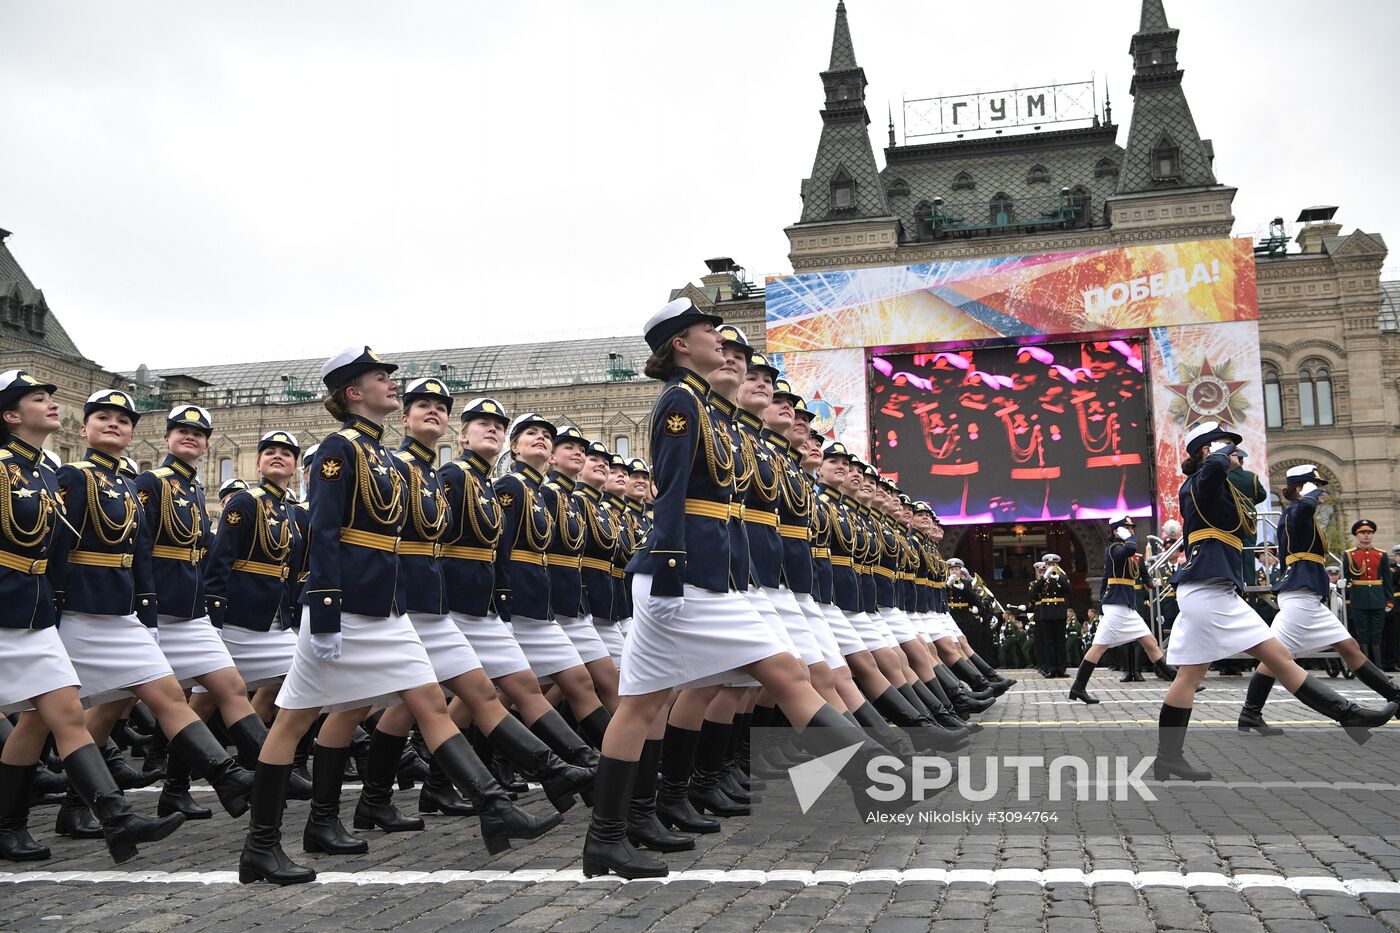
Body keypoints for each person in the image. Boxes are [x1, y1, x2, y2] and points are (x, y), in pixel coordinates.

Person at [582, 299, 905, 880]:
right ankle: (873, 775)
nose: (721, 343)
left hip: (701, 574)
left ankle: (612, 835)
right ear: (681, 344)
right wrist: (674, 567)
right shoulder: (681, 401)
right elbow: (671, 491)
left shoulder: (705, 406)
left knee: (643, 704)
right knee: (784, 673)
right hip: (686, 576)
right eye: (710, 332)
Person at [238, 348, 561, 886]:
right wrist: (324, 609)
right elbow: (323, 531)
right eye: (380, 377)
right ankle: (261, 846)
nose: (392, 383)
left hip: (386, 609)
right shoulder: (340, 449)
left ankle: (493, 806)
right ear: (353, 393)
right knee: (294, 718)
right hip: (347, 607)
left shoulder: (384, 457)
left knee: (430, 702)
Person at [351, 378, 591, 834]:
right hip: (420, 603)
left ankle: (559, 771)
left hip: (451, 604)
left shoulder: (464, 478)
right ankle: (559, 772)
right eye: (481, 423)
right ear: (461, 435)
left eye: (498, 424)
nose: (492, 429)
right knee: (370, 707)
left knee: (449, 698)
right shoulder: (435, 473)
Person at [50, 389, 254, 843]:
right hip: (83, 607)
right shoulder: (84, 477)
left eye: (123, 420)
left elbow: (140, 552)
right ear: (82, 429)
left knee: (147, 698)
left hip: (128, 610)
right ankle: (49, 811)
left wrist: (145, 611)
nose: (114, 424)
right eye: (103, 418)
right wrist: (54, 607)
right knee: (56, 717)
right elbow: (58, 547)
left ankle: (228, 777)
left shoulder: (135, 485)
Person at [0, 372, 186, 864]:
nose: (52, 403)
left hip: (32, 612)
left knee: (61, 716)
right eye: (38, 398)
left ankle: (112, 820)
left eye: (50, 396)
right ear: (11, 415)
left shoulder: (43, 474)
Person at [1155, 421, 1395, 781]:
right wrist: (1220, 454)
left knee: (1190, 677)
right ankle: (1348, 715)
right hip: (1208, 591)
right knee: (1278, 658)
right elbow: (1214, 470)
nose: (1237, 453)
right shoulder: (1200, 482)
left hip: (1209, 589)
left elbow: (1254, 494)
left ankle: (1168, 758)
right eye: (1229, 446)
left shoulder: (1215, 484)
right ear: (1208, 450)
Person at [438, 398, 600, 815]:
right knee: (446, 700)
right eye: (531, 434)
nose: (542, 439)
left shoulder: (519, 488)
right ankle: (577, 769)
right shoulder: (492, 483)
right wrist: (504, 599)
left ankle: (581, 769)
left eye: (546, 435)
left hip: (504, 604)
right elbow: (461, 544)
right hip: (468, 602)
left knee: (499, 693)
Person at [135, 406, 274, 821]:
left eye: (198, 433)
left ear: (207, 446)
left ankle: (267, 774)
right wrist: (146, 607)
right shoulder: (152, 482)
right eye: (182, 430)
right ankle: (77, 801)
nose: (191, 437)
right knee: (110, 707)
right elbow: (140, 548)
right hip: (159, 608)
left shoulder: (193, 488)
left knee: (228, 687)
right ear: (166, 439)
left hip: (190, 611)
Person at [1237, 467, 1400, 734]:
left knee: (1348, 646)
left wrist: (1310, 494)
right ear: (1301, 488)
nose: (1321, 490)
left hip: (1308, 596)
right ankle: (1251, 713)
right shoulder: (1295, 511)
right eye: (1316, 484)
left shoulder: (1302, 513)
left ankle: (1396, 697)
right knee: (1275, 659)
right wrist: (1309, 495)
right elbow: (1303, 508)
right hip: (1299, 596)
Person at [202, 430, 309, 812]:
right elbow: (220, 561)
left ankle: (266, 767)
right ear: (259, 462)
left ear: (295, 466)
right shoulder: (245, 502)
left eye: (286, 453)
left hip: (272, 621)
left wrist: (291, 615)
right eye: (270, 452)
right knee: (203, 703)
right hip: (238, 617)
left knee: (303, 681)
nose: (278, 456)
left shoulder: (289, 511)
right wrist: (214, 619)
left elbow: (290, 570)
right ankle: (179, 784)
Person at [494, 413, 613, 743]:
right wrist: (503, 599)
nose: (578, 453)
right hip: (525, 601)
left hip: (552, 602)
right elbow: (502, 548)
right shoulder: (518, 487)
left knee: (531, 689)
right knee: (496, 693)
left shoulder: (550, 494)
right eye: (568, 447)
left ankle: (608, 761)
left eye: (546, 435)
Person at [1069, 515, 1182, 704]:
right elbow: (1128, 551)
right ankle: (1078, 687)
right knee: (1099, 647)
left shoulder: (1125, 551)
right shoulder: (1115, 548)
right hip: (1117, 605)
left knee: (1150, 642)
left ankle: (1179, 681)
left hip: (1124, 605)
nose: (1131, 531)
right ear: (1116, 531)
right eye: (1127, 528)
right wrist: (1128, 537)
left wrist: (1149, 582)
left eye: (1131, 528)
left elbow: (1127, 569)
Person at [1344, 519, 1393, 665]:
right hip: (1359, 597)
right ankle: (1366, 667)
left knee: (1376, 633)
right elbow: (1346, 578)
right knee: (1362, 633)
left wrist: (1389, 600)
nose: (1366, 535)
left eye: (1369, 533)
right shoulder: (1349, 554)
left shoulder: (1381, 554)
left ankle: (1378, 666)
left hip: (1377, 598)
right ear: (1357, 535)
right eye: (1363, 533)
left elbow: (1387, 580)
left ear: (1372, 535)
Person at [1036, 554, 1071, 677]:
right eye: (1049, 564)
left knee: (1060, 642)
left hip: (1059, 612)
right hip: (1046, 613)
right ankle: (1050, 669)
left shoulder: (1062, 577)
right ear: (1045, 565)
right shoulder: (1043, 579)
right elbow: (1035, 592)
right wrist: (1044, 578)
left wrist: (1059, 578)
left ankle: (1061, 669)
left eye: (1054, 564)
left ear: (1057, 565)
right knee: (1048, 642)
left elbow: (1069, 590)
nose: (1051, 566)